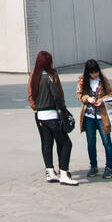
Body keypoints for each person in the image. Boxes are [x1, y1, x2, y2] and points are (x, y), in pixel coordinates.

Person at [27, 50, 79, 186]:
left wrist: (36, 109)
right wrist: (63, 109)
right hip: (52, 115)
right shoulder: (50, 76)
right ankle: (63, 172)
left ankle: (50, 171)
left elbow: (31, 95)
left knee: (46, 142)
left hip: (40, 116)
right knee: (66, 143)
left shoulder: (34, 76)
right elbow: (57, 95)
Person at [76, 59, 112, 179]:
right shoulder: (82, 81)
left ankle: (109, 167)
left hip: (101, 115)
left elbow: (110, 93)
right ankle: (93, 166)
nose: (94, 75)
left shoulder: (103, 80)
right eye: (92, 73)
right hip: (88, 116)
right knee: (91, 142)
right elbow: (79, 94)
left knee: (106, 141)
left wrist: (101, 100)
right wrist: (87, 98)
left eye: (96, 72)